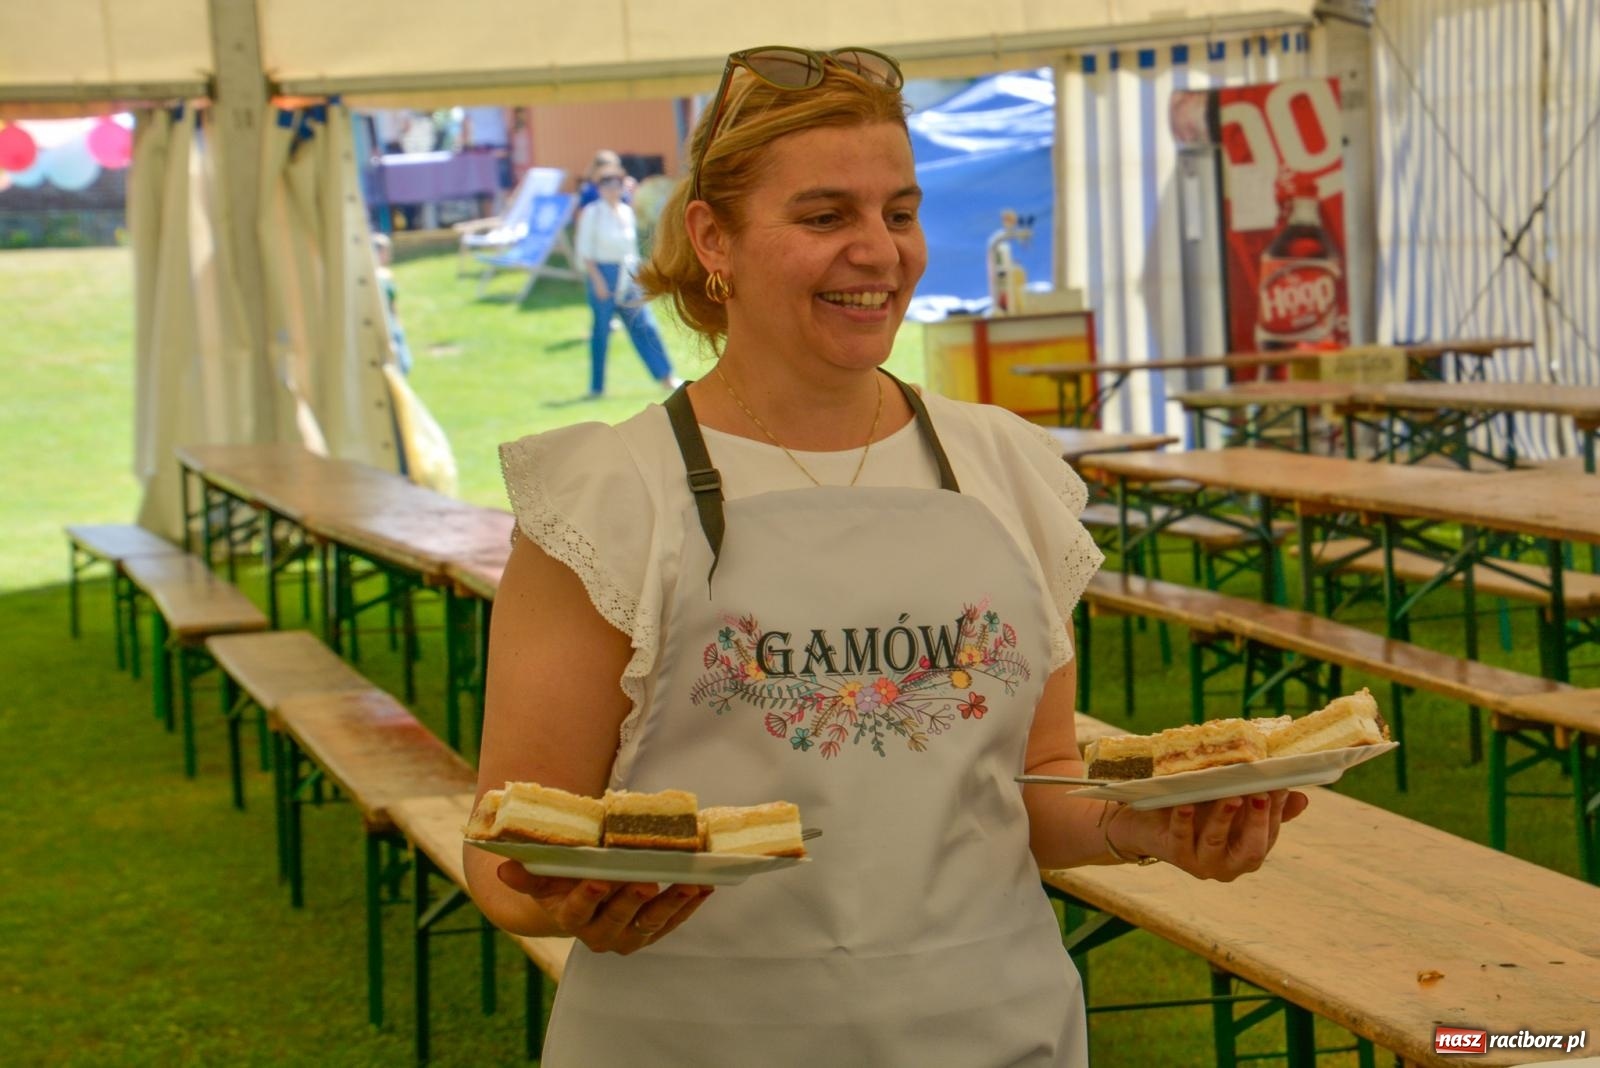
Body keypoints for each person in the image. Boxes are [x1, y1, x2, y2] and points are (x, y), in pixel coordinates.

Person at [466, 44, 1308, 1067]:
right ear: (711, 239)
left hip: (992, 1029)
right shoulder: (607, 499)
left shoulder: (1001, 468)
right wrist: (572, 902)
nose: (879, 251)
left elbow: (1034, 781)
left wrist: (1148, 827)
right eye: (825, 218)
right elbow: (507, 841)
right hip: (695, 1038)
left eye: (898, 214)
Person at [572, 160, 679, 396]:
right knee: (601, 331)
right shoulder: (593, 213)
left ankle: (666, 375)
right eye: (606, 184)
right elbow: (585, 251)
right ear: (599, 187)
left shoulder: (625, 212)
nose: (612, 189)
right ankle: (596, 387)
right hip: (603, 272)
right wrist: (597, 280)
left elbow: (631, 249)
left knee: (645, 325)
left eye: (616, 183)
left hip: (627, 274)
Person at [370, 233, 412, 375]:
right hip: (384, 324)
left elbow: (393, 304)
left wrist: (398, 324)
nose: (388, 255)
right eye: (385, 251)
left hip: (392, 323)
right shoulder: (376, 278)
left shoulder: (386, 275)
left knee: (403, 363)